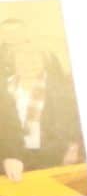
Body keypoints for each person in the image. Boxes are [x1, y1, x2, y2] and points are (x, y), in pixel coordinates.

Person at [0, 22, 82, 178]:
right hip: (9, 159)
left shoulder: (60, 89)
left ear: (44, 61)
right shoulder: (3, 89)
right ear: (13, 62)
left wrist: (73, 147)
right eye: (22, 59)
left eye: (35, 58)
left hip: (50, 158)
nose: (28, 63)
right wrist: (8, 155)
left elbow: (73, 122)